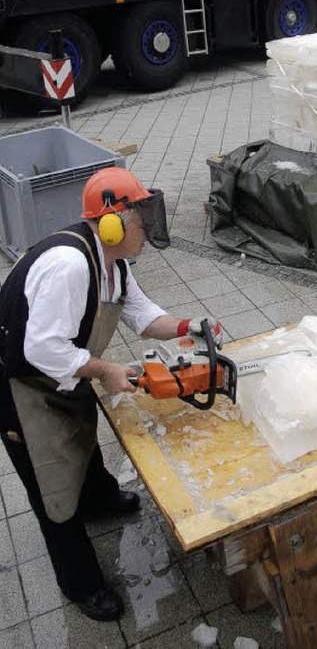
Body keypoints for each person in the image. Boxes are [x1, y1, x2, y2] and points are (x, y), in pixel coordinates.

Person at [0, 167, 223, 622]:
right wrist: (104, 369)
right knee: (52, 487)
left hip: (61, 372)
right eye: (141, 218)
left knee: (81, 434)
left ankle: (100, 500)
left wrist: (188, 327)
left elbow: (142, 315)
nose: (148, 229)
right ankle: (79, 582)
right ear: (113, 223)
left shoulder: (113, 262)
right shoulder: (69, 266)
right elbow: (41, 347)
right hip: (20, 385)